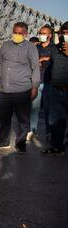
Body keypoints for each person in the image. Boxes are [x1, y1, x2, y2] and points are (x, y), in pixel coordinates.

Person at [0, 22, 40, 154]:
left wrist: (35, 87)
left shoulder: (31, 48)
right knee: (4, 117)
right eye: (15, 32)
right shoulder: (6, 45)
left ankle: (21, 143)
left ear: (25, 34)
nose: (16, 35)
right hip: (4, 89)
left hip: (22, 90)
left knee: (22, 119)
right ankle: (3, 141)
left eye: (20, 33)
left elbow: (35, 67)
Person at [41, 21, 68, 156]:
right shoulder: (56, 48)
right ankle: (56, 146)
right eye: (63, 33)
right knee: (54, 121)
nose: (65, 36)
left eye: (67, 34)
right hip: (55, 90)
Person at [28, 25, 53, 141]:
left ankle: (49, 132)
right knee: (34, 107)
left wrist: (44, 59)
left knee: (49, 109)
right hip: (37, 81)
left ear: (50, 35)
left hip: (49, 82)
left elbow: (56, 60)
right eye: (41, 33)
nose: (42, 35)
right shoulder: (36, 48)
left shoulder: (54, 48)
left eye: (44, 33)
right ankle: (33, 130)